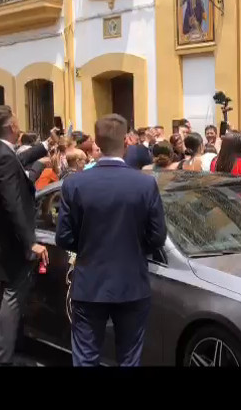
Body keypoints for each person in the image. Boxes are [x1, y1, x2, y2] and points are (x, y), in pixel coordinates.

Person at [56, 114, 167, 366]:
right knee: (129, 358)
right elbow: (158, 236)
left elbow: (63, 237)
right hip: (132, 281)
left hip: (90, 281)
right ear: (127, 142)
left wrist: (86, 246)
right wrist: (136, 248)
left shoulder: (75, 184)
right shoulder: (144, 184)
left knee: (86, 358)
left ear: (97, 142)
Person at [0, 104, 54, 366]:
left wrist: (45, 145)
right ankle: (1, 359)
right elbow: (12, 202)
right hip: (10, 243)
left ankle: (1, 351)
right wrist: (30, 242)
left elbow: (17, 162)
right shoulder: (2, 155)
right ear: (12, 126)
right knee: (11, 299)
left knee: (4, 299)